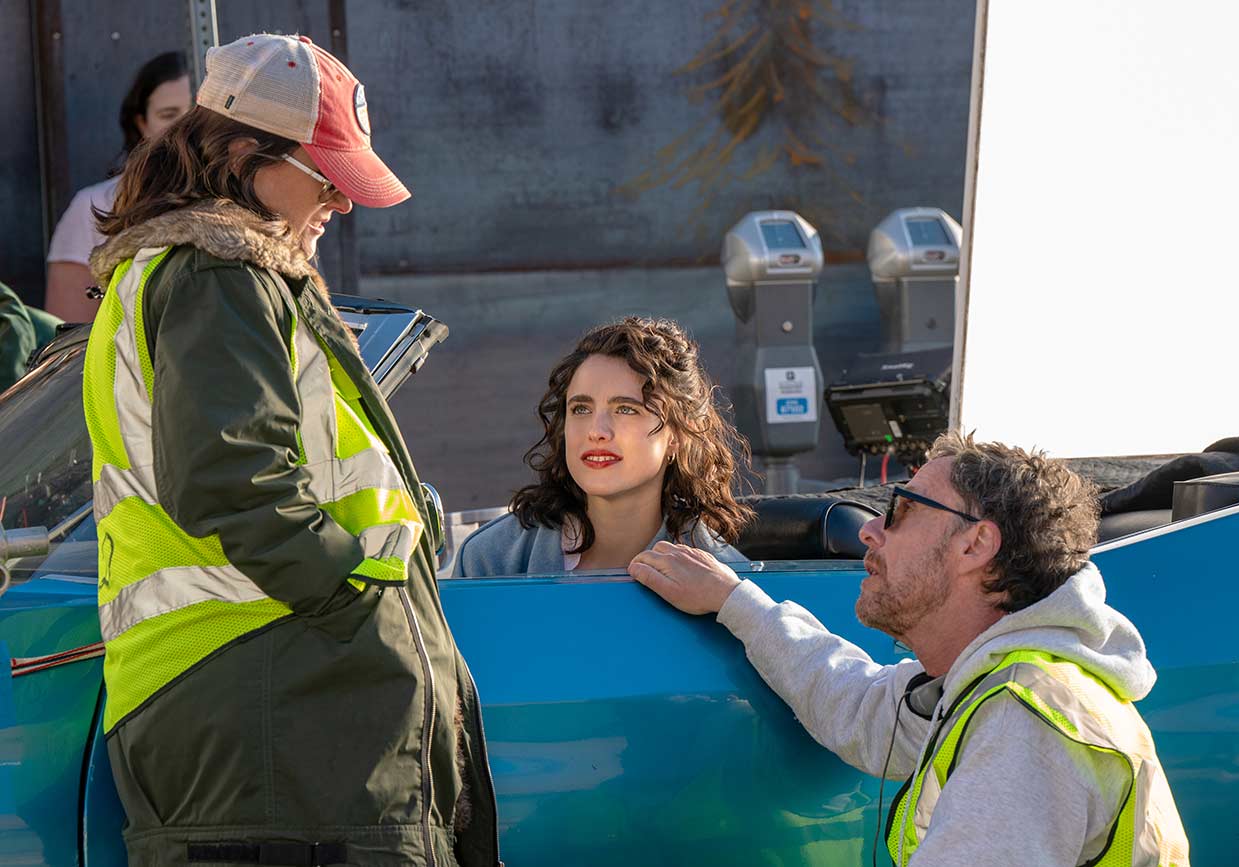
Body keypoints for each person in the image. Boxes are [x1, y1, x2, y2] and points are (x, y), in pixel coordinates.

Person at [83, 34, 497, 866]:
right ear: (242, 153)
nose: (341, 203)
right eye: (326, 175)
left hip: (259, 707)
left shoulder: (183, 269)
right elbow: (236, 481)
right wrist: (357, 610)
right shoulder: (218, 270)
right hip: (279, 707)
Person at [629, 432, 1189, 866]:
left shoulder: (1029, 721)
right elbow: (863, 707)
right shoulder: (996, 687)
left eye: (900, 511)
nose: (871, 531)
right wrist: (736, 601)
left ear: (975, 543)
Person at [454, 317, 752, 576]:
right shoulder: (490, 559)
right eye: (581, 409)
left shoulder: (725, 578)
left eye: (626, 409)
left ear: (678, 435)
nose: (596, 432)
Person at [46, 51, 190, 322]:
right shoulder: (94, 205)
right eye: (168, 114)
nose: (184, 127)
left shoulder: (242, 198)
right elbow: (66, 338)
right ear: (141, 122)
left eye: (197, 112)